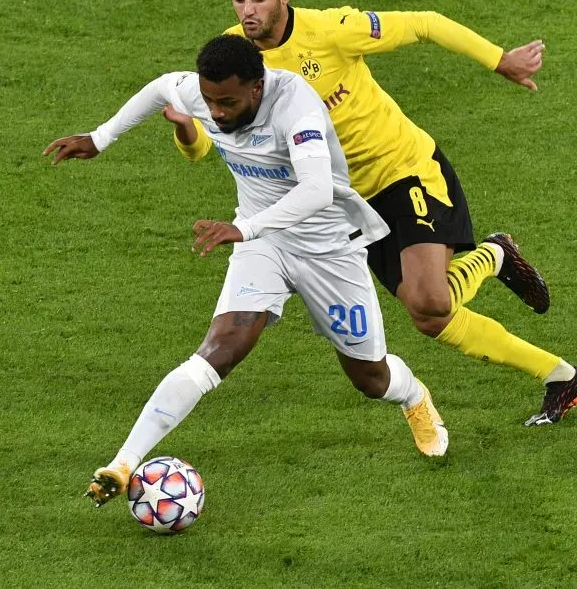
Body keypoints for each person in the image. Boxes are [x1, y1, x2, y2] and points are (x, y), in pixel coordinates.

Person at [169, 0, 577, 426]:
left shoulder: (332, 31)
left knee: (431, 299)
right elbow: (205, 145)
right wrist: (186, 132)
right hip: (345, 204)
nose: (247, 11)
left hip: (403, 170)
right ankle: (555, 362)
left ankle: (537, 332)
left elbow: (425, 22)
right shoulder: (234, 60)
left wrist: (501, 61)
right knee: (430, 318)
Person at [44, 35, 448, 507]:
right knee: (220, 349)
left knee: (369, 379)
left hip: (329, 251)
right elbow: (159, 87)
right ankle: (122, 462)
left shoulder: (295, 104)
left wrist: (247, 228)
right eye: (209, 100)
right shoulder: (205, 92)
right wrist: (100, 137)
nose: (215, 113)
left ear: (257, 87)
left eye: (228, 102)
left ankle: (413, 396)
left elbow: (317, 189)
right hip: (265, 245)